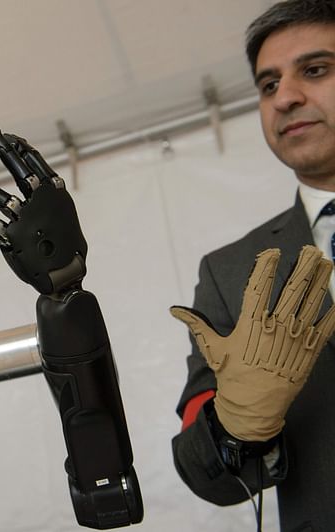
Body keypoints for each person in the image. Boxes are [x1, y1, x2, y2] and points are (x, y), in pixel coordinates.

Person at [171, 1, 335, 530]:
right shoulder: (229, 271)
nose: (285, 97)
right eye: (268, 85)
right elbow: (203, 473)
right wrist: (237, 425)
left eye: (316, 69)